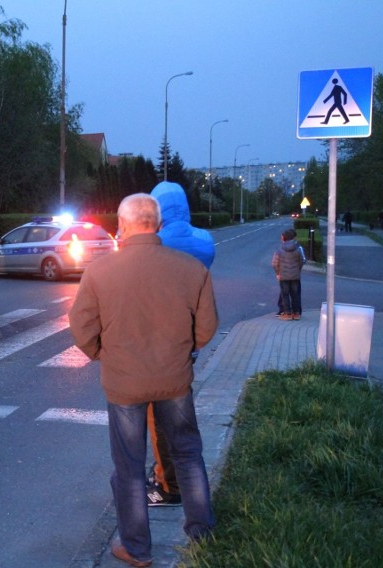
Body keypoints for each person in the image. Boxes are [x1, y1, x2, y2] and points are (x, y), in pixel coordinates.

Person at [69, 193, 218, 566]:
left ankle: (136, 549)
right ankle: (202, 535)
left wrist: (107, 356)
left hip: (124, 384)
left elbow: (82, 329)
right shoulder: (191, 269)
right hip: (175, 380)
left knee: (129, 466)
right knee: (187, 454)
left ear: (122, 225)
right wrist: (181, 353)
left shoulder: (100, 271)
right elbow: (207, 328)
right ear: (159, 224)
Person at [145, 181, 215, 507]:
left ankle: (168, 485)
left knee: (158, 420)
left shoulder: (154, 244)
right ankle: (189, 484)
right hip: (186, 346)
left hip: (158, 348)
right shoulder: (204, 243)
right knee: (183, 421)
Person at [272, 228, 305, 321]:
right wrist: (297, 270)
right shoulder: (298, 249)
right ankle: (296, 313)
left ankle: (288, 313)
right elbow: (301, 261)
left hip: (283, 276)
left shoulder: (279, 250)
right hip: (295, 276)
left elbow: (274, 263)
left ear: (284, 238)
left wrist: (278, 273)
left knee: (285, 294)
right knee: (295, 294)